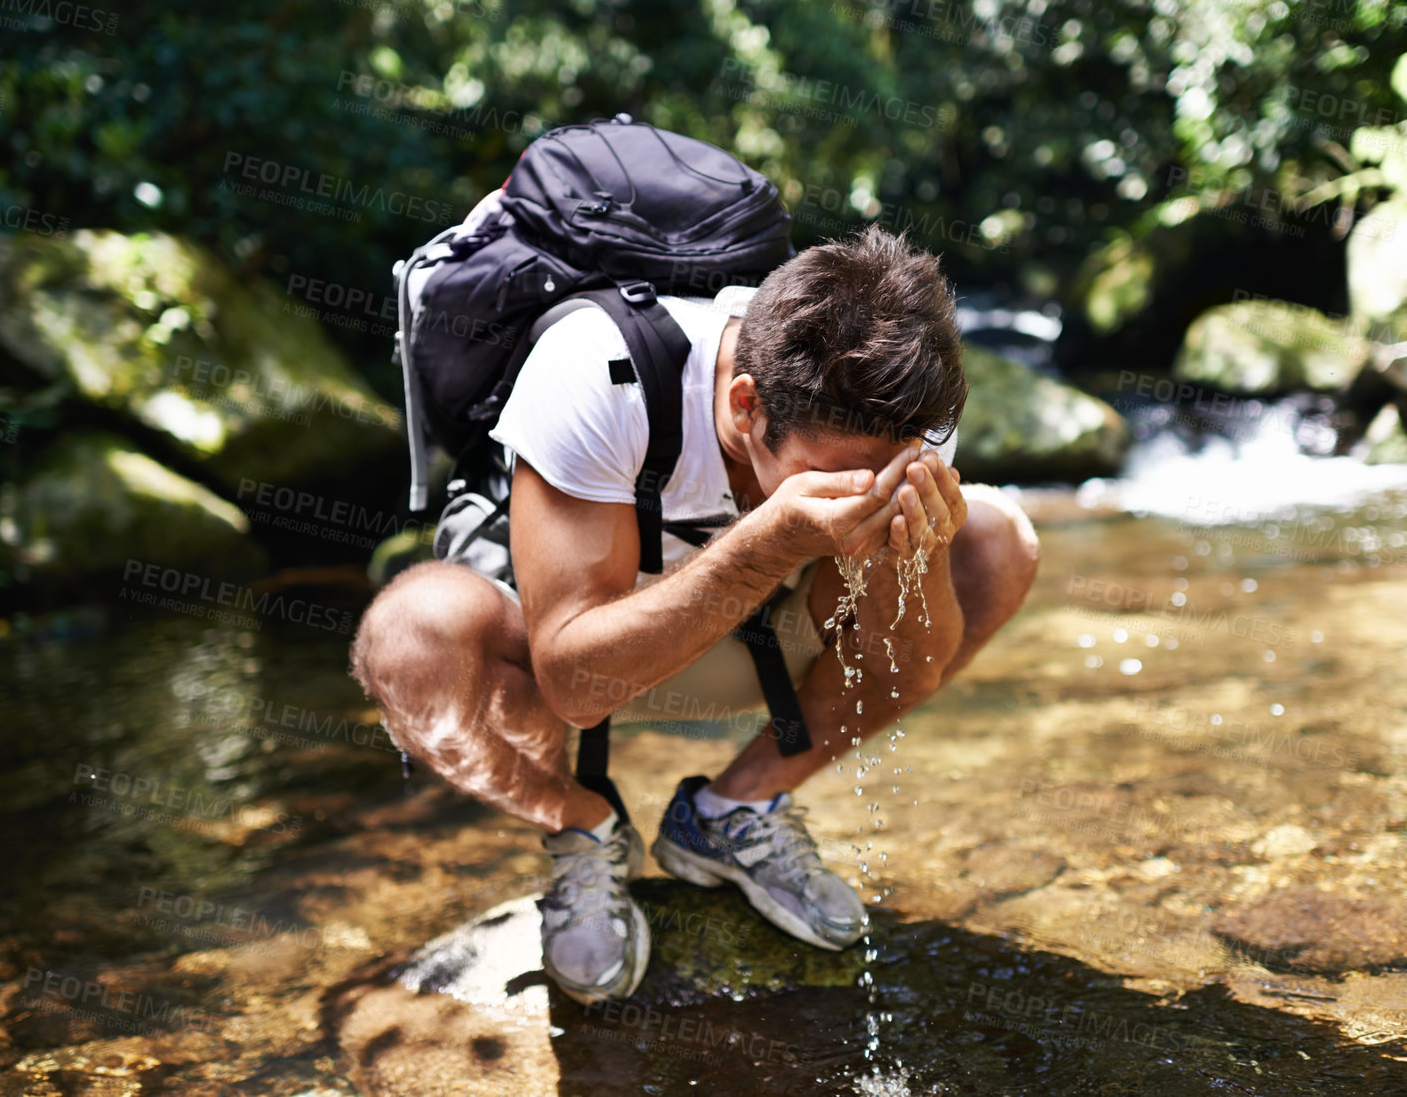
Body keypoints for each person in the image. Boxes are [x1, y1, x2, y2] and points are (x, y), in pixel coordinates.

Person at [351, 224, 1039, 1003]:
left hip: (761, 646)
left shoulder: (901, 419)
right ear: (747, 406)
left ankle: (732, 810)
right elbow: (578, 686)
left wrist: (897, 562)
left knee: (995, 541)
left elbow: (912, 666)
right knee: (406, 636)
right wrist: (769, 541)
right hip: (564, 663)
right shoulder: (601, 371)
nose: (867, 491)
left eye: (886, 474)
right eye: (836, 479)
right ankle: (580, 827)